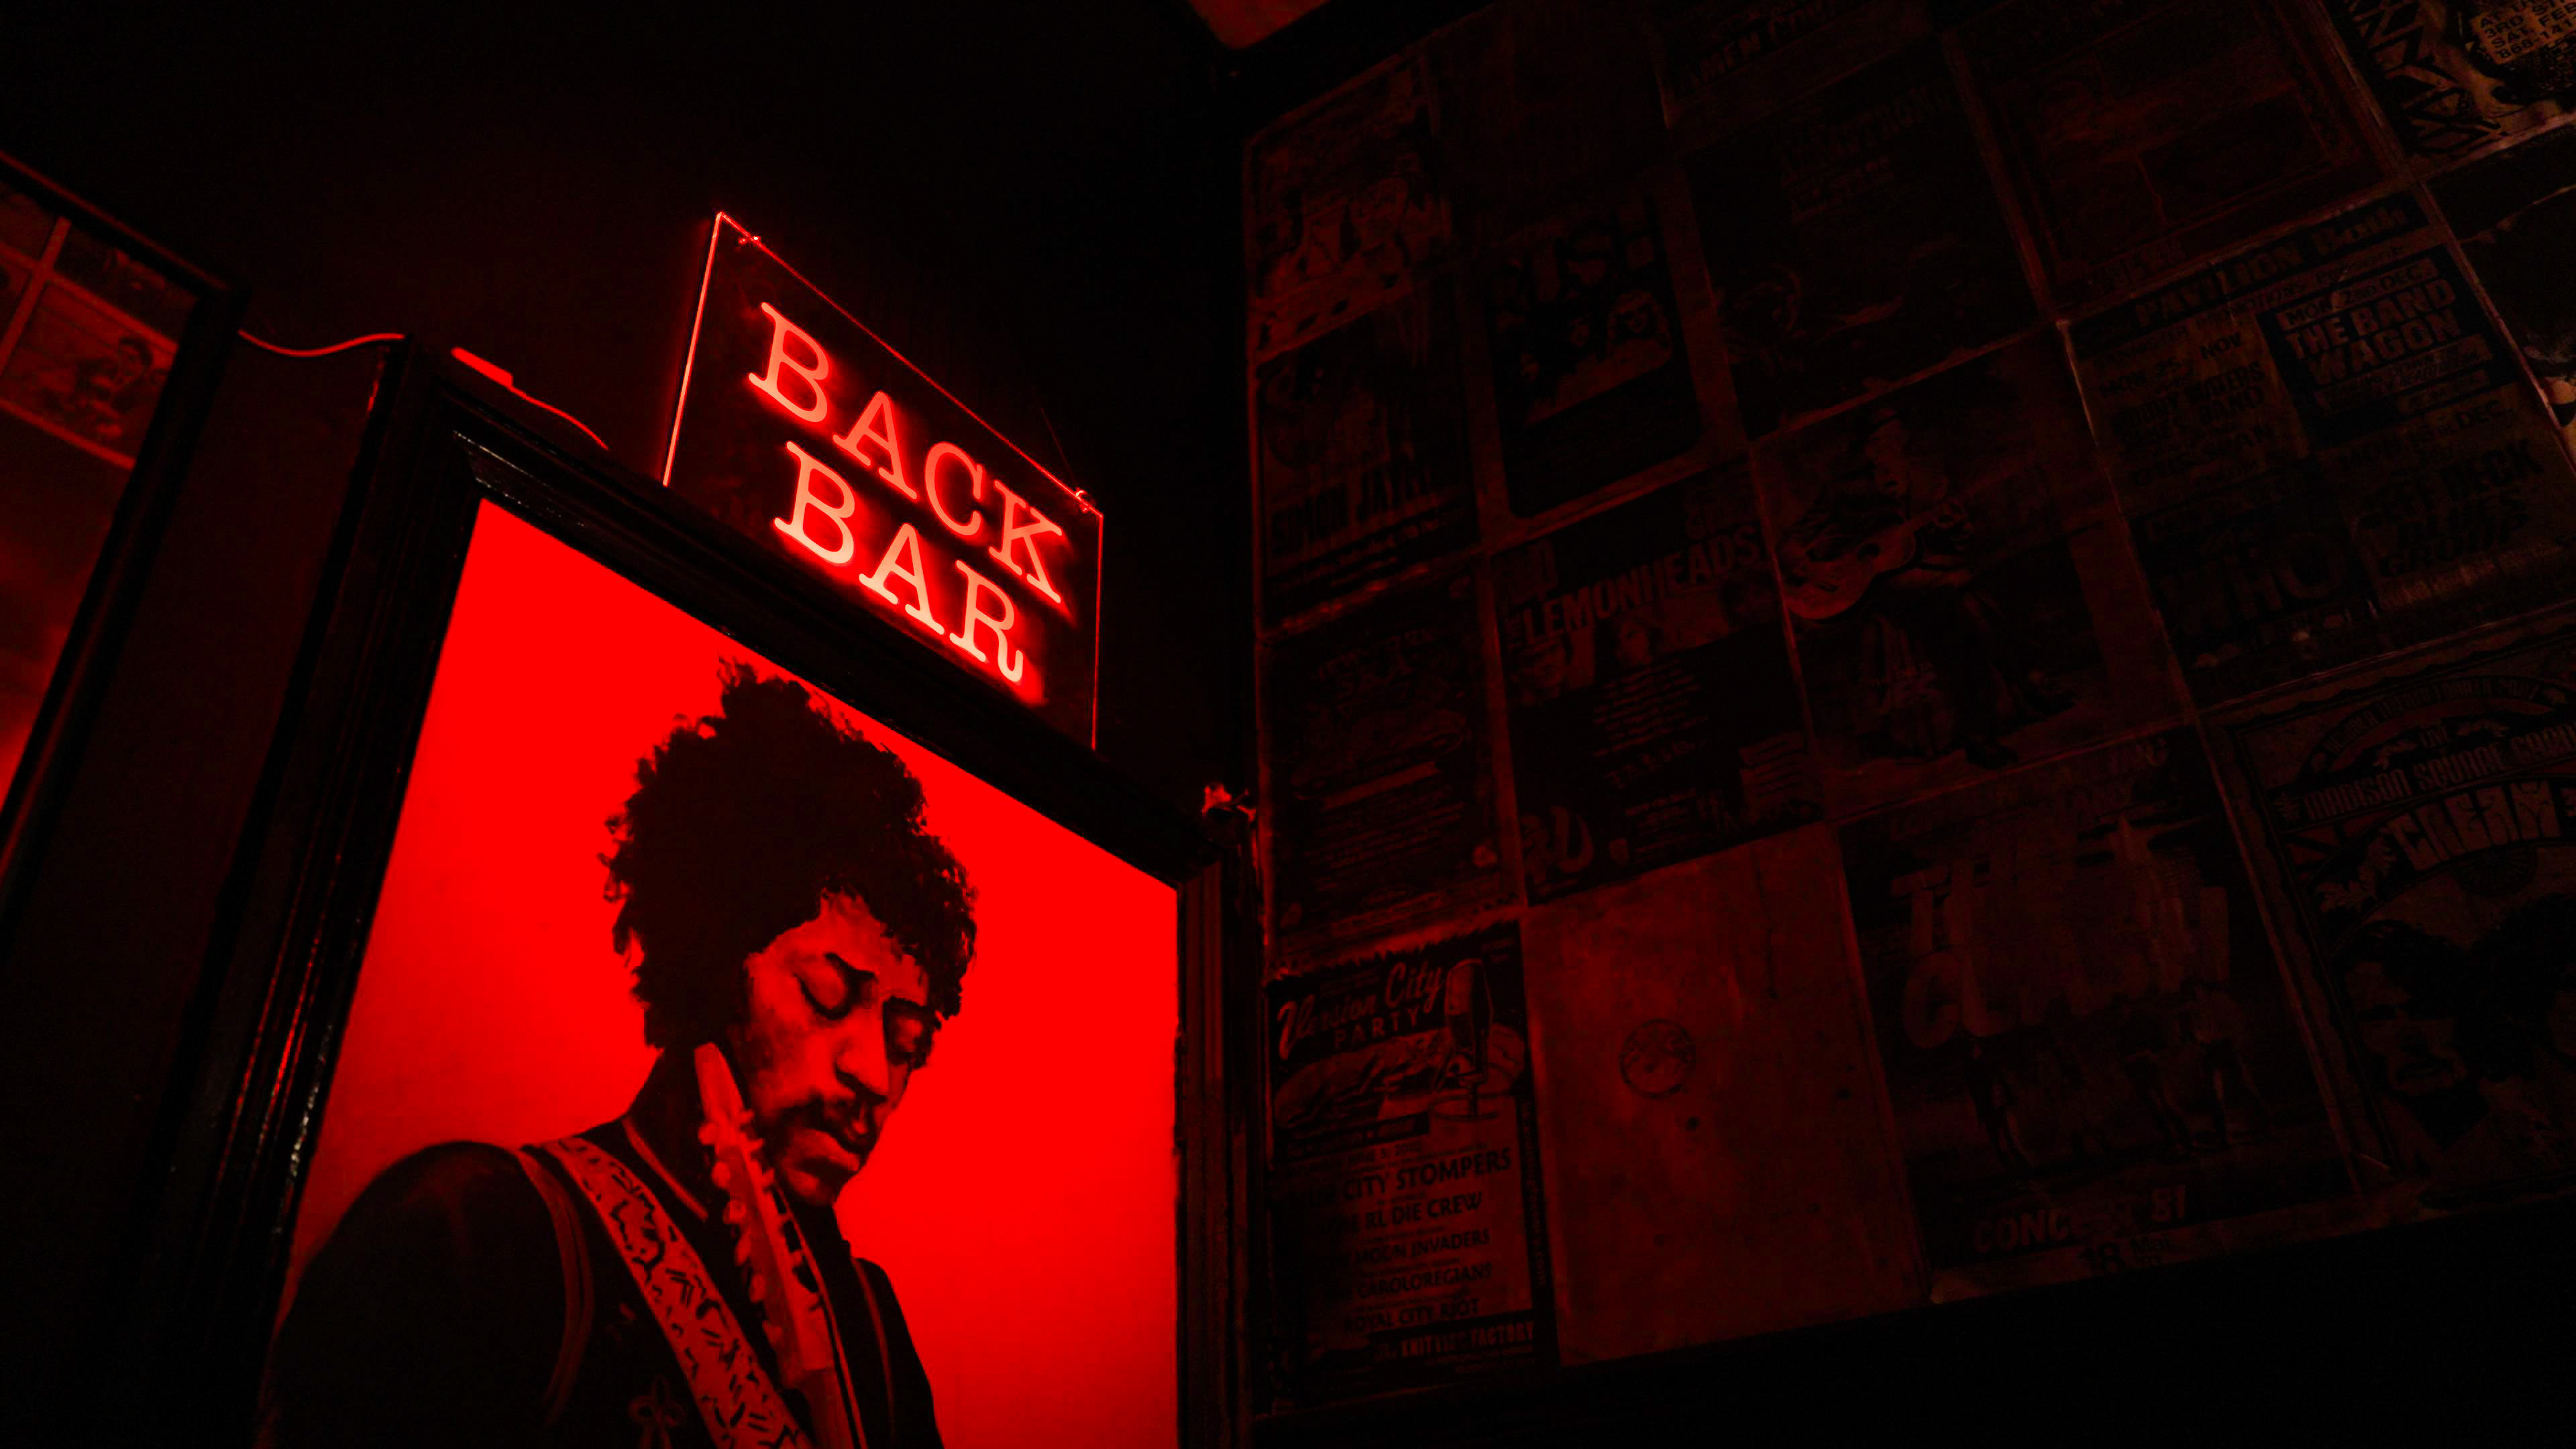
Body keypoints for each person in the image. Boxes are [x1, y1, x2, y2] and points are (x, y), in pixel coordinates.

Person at [266, 663, 971, 1447]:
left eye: (907, 1044)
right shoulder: (483, 1234)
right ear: (717, 960)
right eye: (826, 995)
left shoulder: (871, 1332)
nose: (871, 1073)